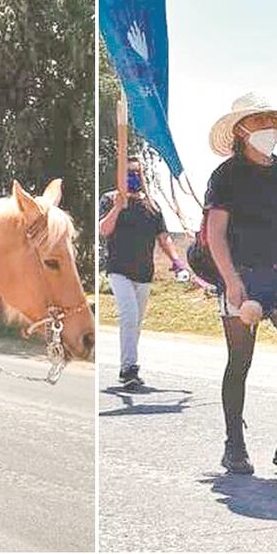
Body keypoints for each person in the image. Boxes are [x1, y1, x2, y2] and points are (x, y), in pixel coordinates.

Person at [203, 92, 277, 479]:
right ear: (241, 130)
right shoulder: (226, 176)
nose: (270, 126)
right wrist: (232, 282)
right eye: (261, 120)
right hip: (241, 276)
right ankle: (234, 444)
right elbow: (215, 235)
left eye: (273, 119)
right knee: (240, 361)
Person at [99, 156, 188, 389]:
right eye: (128, 173)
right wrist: (118, 206)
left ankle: (126, 366)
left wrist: (177, 261)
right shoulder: (110, 199)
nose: (133, 177)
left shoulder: (152, 206)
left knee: (136, 322)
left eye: (137, 173)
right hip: (119, 270)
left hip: (144, 272)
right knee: (128, 316)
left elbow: (163, 237)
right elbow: (104, 230)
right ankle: (129, 368)